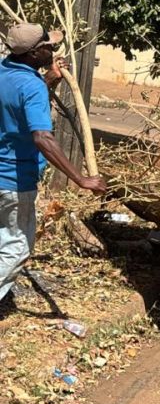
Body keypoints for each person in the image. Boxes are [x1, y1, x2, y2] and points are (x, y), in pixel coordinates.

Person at [0, 23, 107, 317]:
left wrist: (49, 79)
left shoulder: (5, 72)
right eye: (48, 46)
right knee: (17, 247)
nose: (54, 48)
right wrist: (81, 178)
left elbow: (16, 106)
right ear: (34, 53)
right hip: (13, 180)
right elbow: (42, 137)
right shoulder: (30, 86)